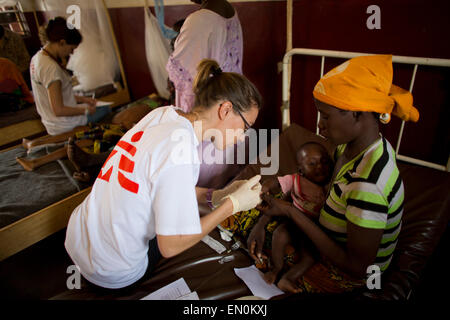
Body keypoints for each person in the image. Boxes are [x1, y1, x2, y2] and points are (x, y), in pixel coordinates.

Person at [64, 59, 263, 291]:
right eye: (246, 127)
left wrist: (216, 195)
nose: (242, 137)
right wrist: (230, 205)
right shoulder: (182, 153)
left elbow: (162, 184)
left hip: (78, 238)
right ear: (226, 109)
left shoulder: (163, 115)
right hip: (111, 270)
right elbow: (170, 246)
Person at [247, 55, 419, 294]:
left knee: (245, 226)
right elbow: (317, 191)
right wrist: (269, 217)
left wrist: (287, 212)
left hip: (349, 275)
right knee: (255, 217)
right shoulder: (348, 148)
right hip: (326, 235)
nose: (319, 125)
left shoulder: (368, 184)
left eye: (325, 116)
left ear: (358, 114)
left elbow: (358, 268)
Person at [220, 142, 332, 287]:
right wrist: (264, 188)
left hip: (311, 230)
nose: (319, 167)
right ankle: (276, 269)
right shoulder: (296, 180)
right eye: (312, 163)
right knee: (279, 235)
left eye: (324, 162)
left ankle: (288, 279)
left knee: (310, 257)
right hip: (291, 224)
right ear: (301, 169)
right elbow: (276, 182)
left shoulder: (329, 187)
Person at [166, 0, 244, 189]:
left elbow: (185, 77)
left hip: (202, 119)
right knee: (216, 181)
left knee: (194, 185)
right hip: (227, 113)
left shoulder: (199, 21)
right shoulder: (230, 13)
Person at [16, 103, 155, 183]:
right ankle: (35, 143)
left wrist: (126, 125)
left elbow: (126, 125)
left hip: (115, 133)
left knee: (81, 142)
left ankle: (36, 162)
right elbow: (118, 119)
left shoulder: (149, 115)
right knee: (78, 131)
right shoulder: (145, 109)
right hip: (110, 128)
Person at [29, 17, 110, 137]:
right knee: (106, 109)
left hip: (51, 122)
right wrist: (86, 110)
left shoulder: (37, 58)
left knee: (94, 105)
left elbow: (56, 95)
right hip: (65, 125)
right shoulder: (51, 69)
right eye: (71, 49)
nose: (71, 53)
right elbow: (59, 110)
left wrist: (84, 100)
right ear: (61, 42)